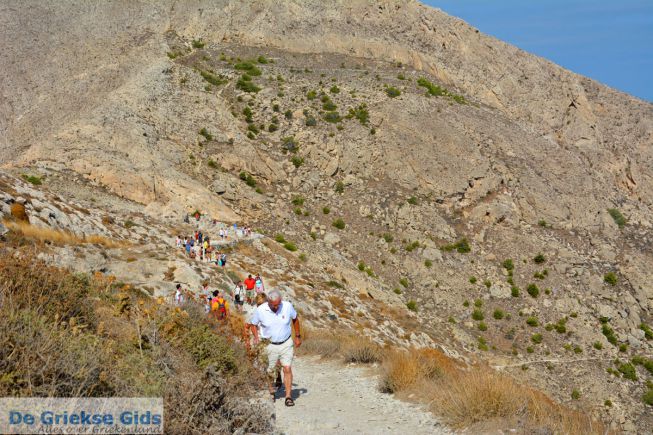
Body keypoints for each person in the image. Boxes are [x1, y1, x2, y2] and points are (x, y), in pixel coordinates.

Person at [247, 290, 301, 406]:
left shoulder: (287, 306)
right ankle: (271, 391)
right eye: (273, 305)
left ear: (280, 301)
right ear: (268, 302)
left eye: (278, 304)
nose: (276, 307)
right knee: (270, 370)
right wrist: (256, 337)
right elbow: (253, 324)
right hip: (270, 344)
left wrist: (297, 336)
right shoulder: (261, 310)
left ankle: (288, 396)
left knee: (287, 368)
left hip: (286, 343)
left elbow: (295, 319)